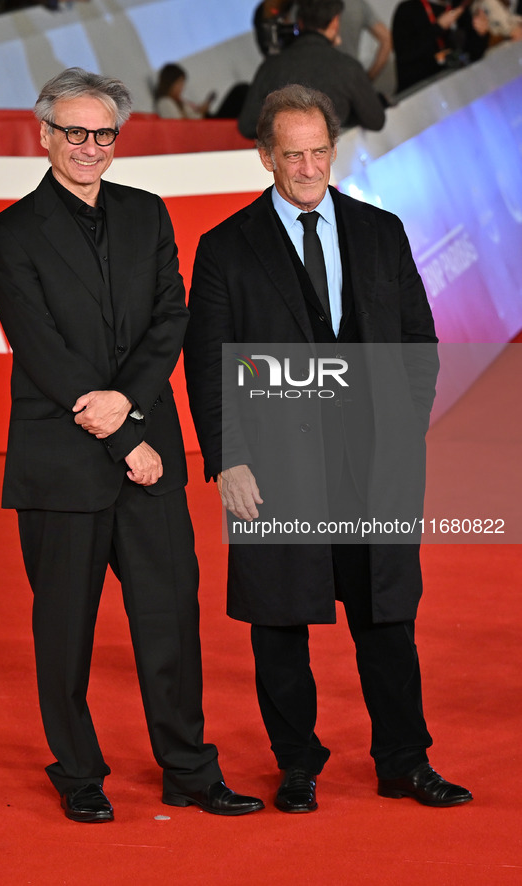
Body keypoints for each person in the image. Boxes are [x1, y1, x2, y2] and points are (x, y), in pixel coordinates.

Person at [0, 67, 264, 823]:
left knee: (171, 619)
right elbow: (42, 352)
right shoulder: (9, 232)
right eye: (73, 131)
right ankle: (77, 773)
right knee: (64, 632)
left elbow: (167, 321)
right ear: (44, 135)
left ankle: (189, 771)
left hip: (151, 459)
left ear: (117, 138)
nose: (88, 146)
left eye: (102, 132)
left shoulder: (148, 213)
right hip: (63, 463)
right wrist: (123, 438)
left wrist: (132, 417)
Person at [184, 83, 473, 813]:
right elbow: (209, 358)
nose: (308, 168)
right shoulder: (225, 247)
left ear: (332, 150)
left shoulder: (380, 232)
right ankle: (296, 766)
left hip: (373, 463)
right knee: (279, 622)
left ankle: (404, 761)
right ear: (264, 157)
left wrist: (406, 428)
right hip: (276, 467)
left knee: (386, 617)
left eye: (319, 152)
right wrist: (227, 459)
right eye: (292, 156)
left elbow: (417, 339)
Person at [238, 0, 385, 139]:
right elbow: (376, 120)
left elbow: (247, 126)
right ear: (335, 22)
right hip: (333, 161)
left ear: (299, 23)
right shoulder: (348, 67)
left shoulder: (270, 67)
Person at [392, 0, 489, 93]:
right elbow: (405, 56)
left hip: (457, 87)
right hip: (420, 93)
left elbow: (472, 56)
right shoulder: (407, 10)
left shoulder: (458, 6)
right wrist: (438, 27)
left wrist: (481, 35)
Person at [337, 0, 392, 81]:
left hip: (319, 80)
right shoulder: (357, 4)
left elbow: (387, 40)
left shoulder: (314, 6)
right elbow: (387, 39)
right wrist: (368, 78)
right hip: (350, 80)